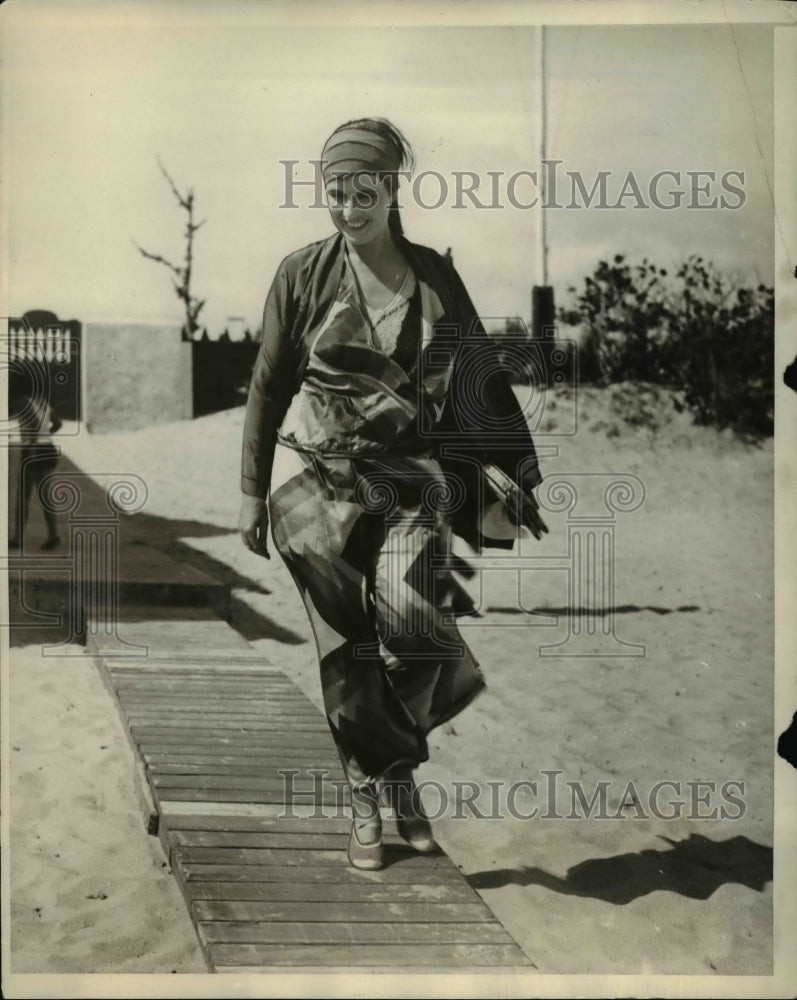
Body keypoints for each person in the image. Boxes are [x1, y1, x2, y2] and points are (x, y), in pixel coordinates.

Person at [239, 118, 545, 870]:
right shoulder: (300, 274)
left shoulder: (432, 276)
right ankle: (371, 796)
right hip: (309, 486)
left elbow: (475, 371)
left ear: (392, 189)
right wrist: (250, 491)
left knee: (417, 634)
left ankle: (391, 768)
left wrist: (509, 468)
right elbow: (267, 386)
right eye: (336, 193)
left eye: (363, 191)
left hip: (408, 480)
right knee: (347, 652)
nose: (348, 208)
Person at [9, 388, 62, 551]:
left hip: (33, 450)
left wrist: (32, 448)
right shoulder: (43, 402)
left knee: (23, 497)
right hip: (47, 449)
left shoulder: (22, 402)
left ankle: (18, 538)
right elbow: (58, 423)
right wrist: (46, 435)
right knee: (45, 496)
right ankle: (53, 535)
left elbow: (34, 425)